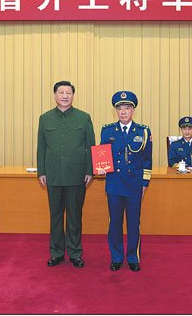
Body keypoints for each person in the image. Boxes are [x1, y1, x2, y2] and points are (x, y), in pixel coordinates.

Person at [37, 80, 95, 268]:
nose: (64, 95)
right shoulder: (45, 118)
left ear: (73, 95)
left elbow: (91, 146)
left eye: (68, 92)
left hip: (77, 174)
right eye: (60, 92)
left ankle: (75, 253)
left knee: (74, 216)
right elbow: (41, 147)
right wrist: (41, 171)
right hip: (53, 174)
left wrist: (90, 170)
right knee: (55, 216)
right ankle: (57, 253)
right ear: (54, 95)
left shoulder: (83, 118)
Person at [97, 91, 152, 272]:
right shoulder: (107, 131)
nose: (123, 112)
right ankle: (116, 257)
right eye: (119, 109)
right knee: (115, 222)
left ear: (133, 110)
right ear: (116, 111)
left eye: (127, 108)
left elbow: (147, 160)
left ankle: (133, 257)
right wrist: (100, 168)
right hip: (114, 184)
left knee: (133, 223)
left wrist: (145, 184)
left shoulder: (143, 132)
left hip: (135, 184)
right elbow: (102, 156)